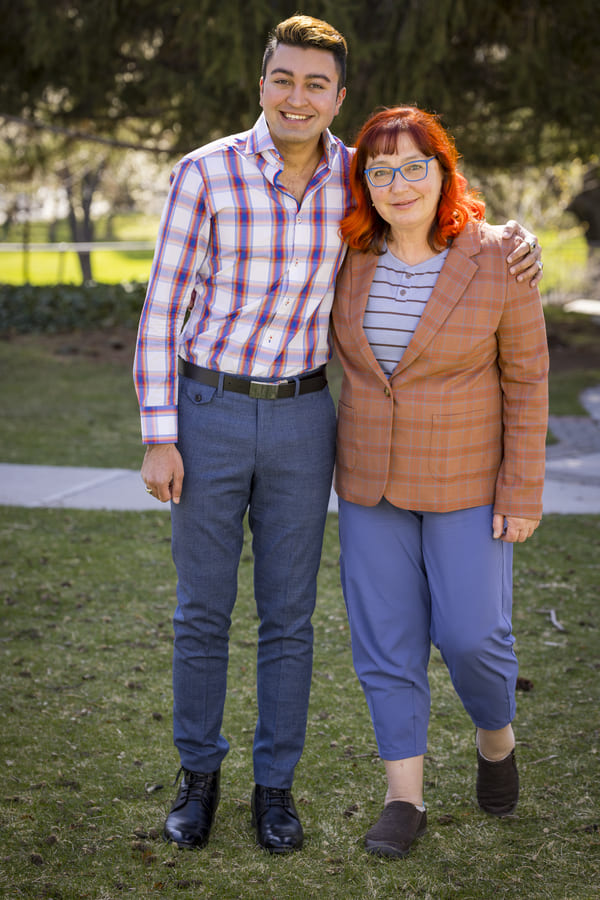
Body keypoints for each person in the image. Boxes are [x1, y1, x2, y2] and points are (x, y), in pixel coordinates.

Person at [133, 16, 542, 855]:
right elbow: (160, 312)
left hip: (305, 419)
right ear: (261, 84)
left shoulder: (359, 177)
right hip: (208, 412)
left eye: (316, 84)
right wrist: (159, 432)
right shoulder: (205, 172)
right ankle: (197, 781)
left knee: (289, 618)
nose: (297, 96)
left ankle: (274, 790)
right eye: (284, 79)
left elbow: (439, 201)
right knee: (202, 612)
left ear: (338, 97)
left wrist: (516, 242)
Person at [330, 105, 549, 859]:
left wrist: (522, 491)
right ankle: (405, 797)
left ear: (444, 171)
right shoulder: (348, 255)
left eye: (413, 165)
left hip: (468, 485)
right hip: (369, 484)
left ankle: (495, 738)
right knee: (386, 644)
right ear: (365, 184)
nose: (398, 183)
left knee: (472, 637)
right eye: (380, 169)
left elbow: (527, 380)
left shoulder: (497, 258)